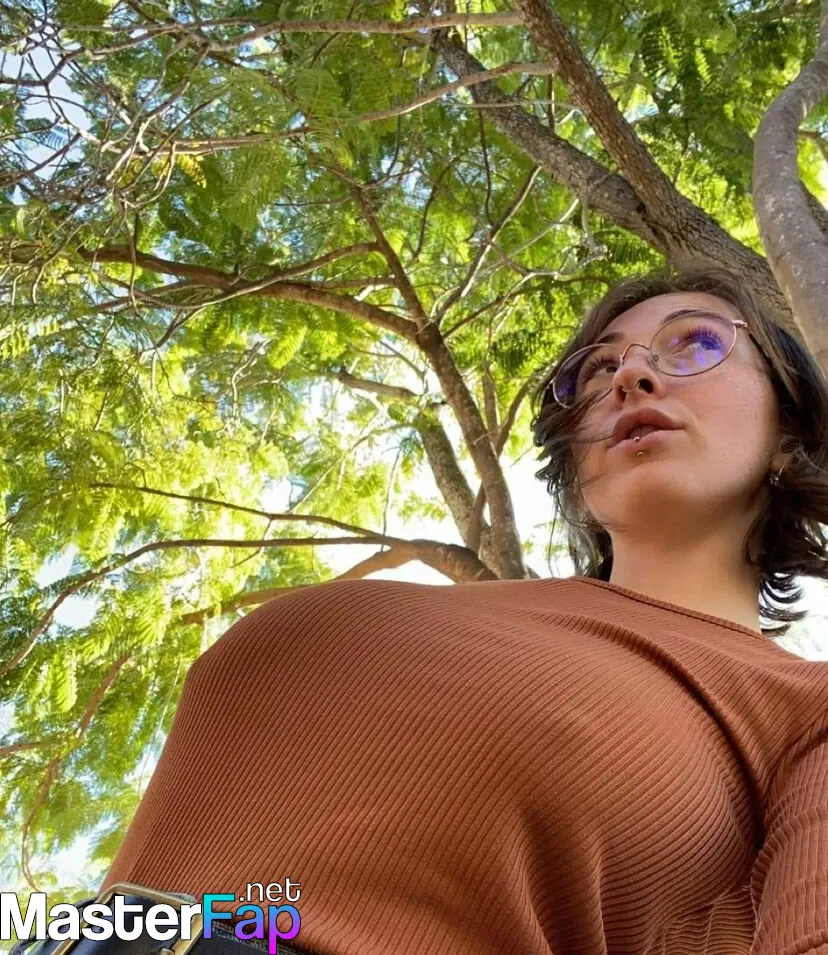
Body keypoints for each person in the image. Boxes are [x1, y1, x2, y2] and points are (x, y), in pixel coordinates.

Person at [66, 267, 828, 954]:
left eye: (695, 343)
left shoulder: (803, 710)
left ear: (788, 430)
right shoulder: (469, 611)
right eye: (599, 369)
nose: (630, 373)